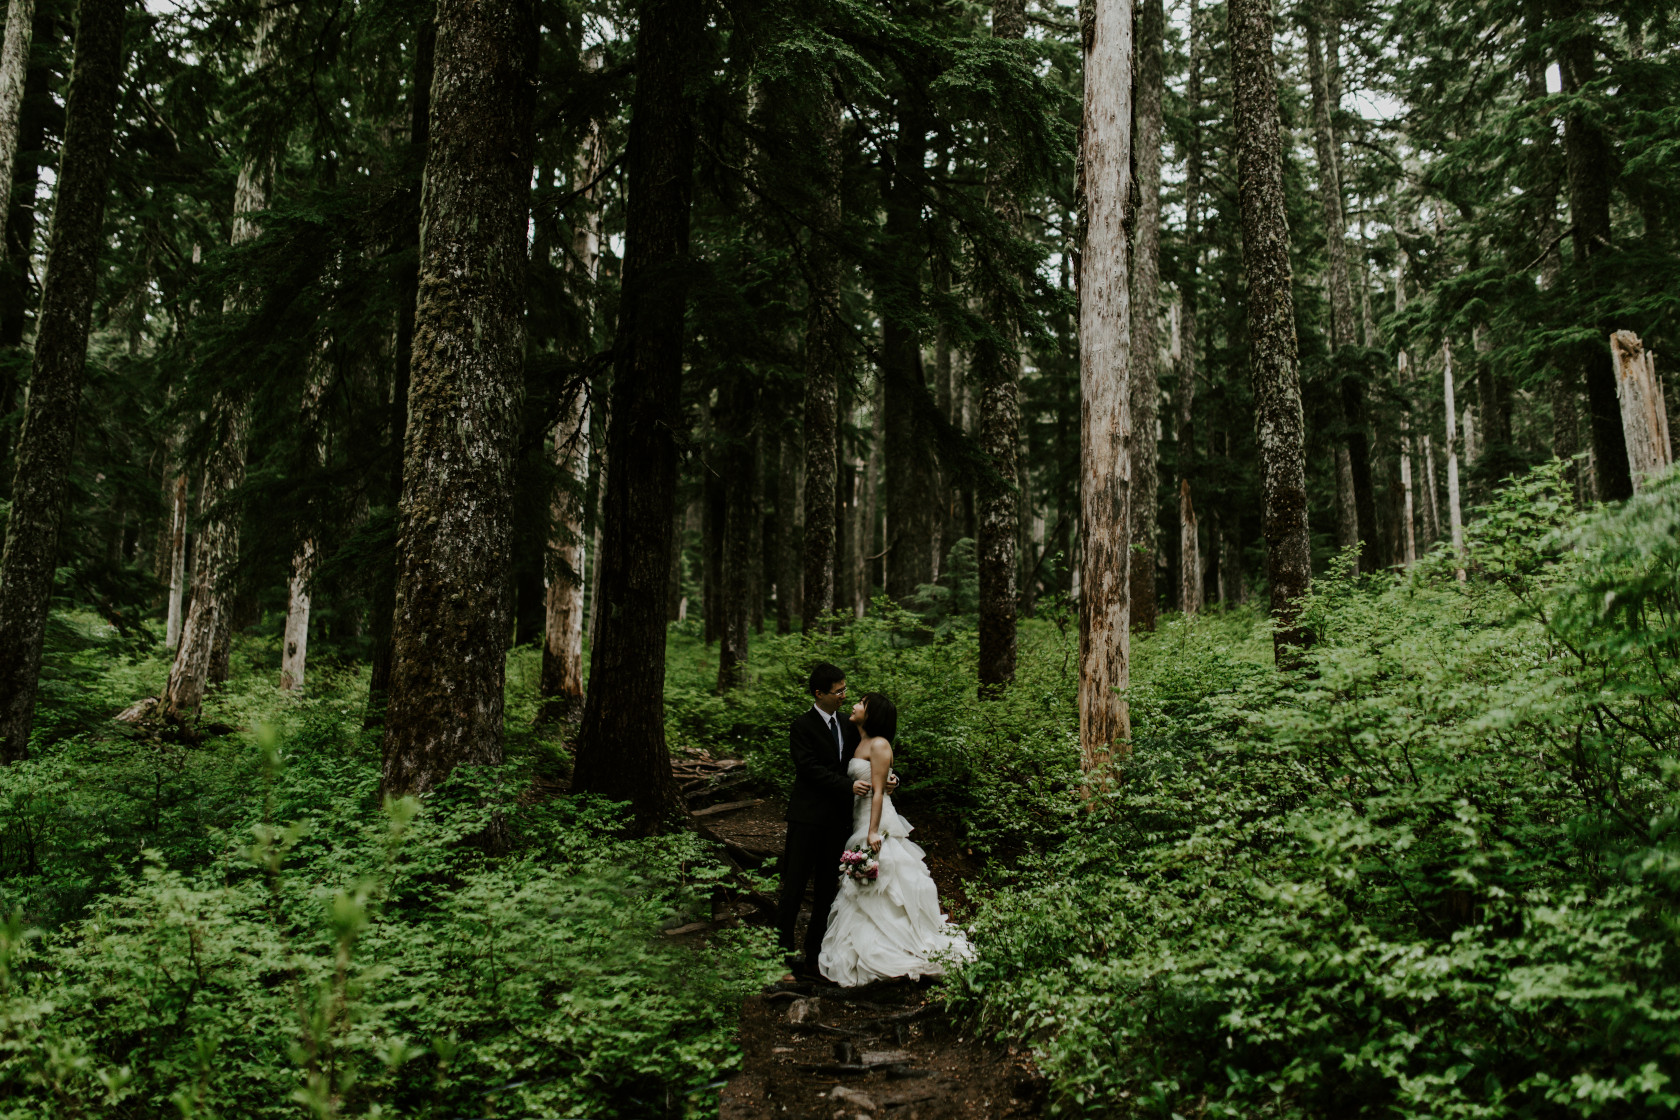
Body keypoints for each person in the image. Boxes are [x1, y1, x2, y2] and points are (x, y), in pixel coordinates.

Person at [818, 692, 972, 986]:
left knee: (886, 878)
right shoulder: (857, 737)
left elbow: (879, 791)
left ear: (872, 713)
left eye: (861, 703)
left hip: (876, 819)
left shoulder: (879, 744)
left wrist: (873, 831)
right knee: (862, 884)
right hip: (857, 817)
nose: (854, 705)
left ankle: (895, 945)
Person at [777, 662, 883, 979]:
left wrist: (888, 780)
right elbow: (808, 768)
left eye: (845, 689)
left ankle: (814, 956)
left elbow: (868, 757)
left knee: (827, 890)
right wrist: (846, 786)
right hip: (807, 818)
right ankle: (780, 958)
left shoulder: (848, 726)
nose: (843, 696)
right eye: (838, 691)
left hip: (838, 821)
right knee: (793, 887)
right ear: (819, 693)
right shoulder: (802, 726)